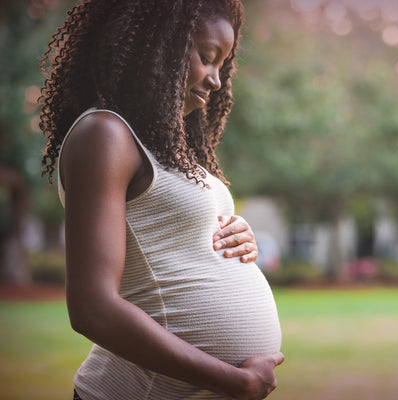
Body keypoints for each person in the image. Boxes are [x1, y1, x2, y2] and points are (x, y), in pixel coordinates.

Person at [39, 1, 284, 399]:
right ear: (160, 46)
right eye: (207, 58)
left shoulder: (171, 150)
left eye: (223, 65)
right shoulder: (105, 134)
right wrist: (234, 381)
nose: (216, 80)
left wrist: (236, 236)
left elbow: (169, 239)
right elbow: (91, 307)